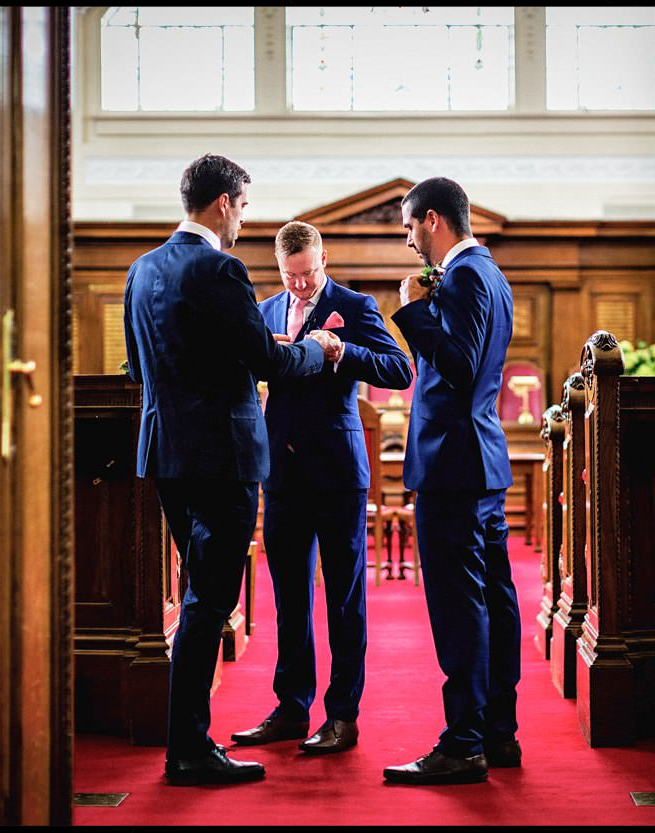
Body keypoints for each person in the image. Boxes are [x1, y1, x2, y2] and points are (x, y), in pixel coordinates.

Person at [123, 154, 342, 786]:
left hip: (165, 454)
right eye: (243, 207)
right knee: (208, 602)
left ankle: (187, 741)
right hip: (221, 458)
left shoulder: (142, 270)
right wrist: (318, 350)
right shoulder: (221, 267)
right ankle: (188, 748)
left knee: (198, 597)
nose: (243, 220)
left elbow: (139, 370)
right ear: (224, 202)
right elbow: (262, 360)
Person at [232, 221, 413, 754]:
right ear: (278, 268)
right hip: (281, 474)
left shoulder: (354, 306)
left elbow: (399, 369)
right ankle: (291, 708)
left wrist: (340, 354)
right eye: (290, 276)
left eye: (308, 273)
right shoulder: (264, 311)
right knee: (289, 597)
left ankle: (342, 716)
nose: (301, 286)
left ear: (323, 259)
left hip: (337, 472)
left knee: (344, 598)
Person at [382, 177, 522, 785]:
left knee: (459, 607)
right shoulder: (494, 274)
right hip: (479, 463)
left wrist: (412, 309)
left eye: (411, 229)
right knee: (495, 600)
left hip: (454, 467)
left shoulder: (464, 275)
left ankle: (463, 742)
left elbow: (461, 367)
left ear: (433, 219)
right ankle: (498, 733)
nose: (411, 242)